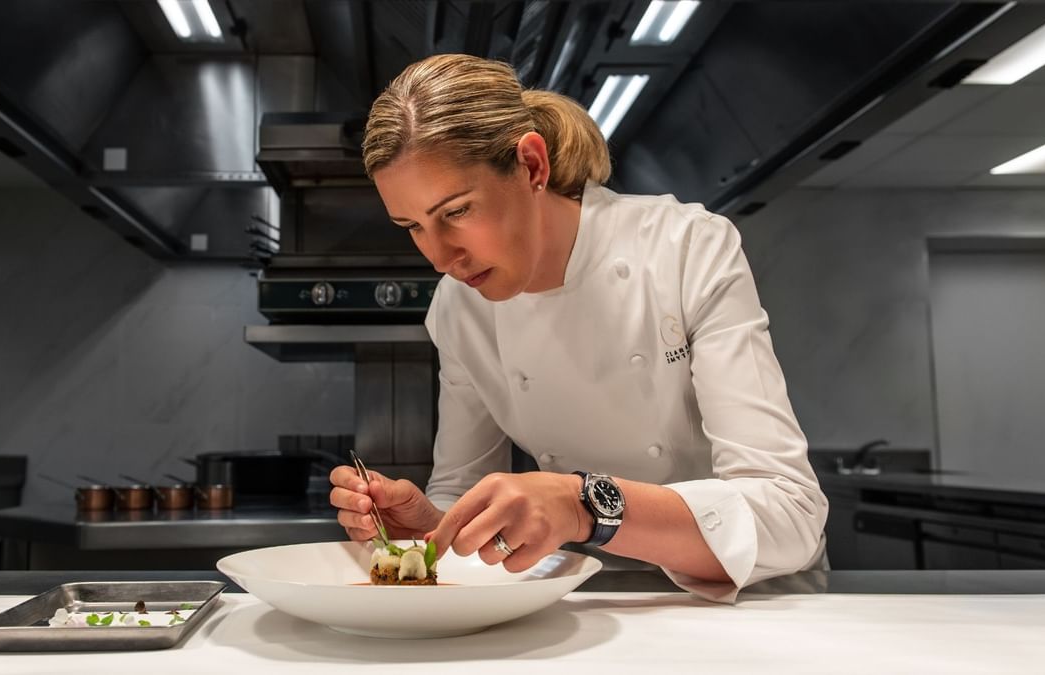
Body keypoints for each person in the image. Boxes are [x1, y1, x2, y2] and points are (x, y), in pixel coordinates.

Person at [329, 53, 827, 602]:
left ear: (532, 166)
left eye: (457, 211)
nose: (440, 257)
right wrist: (431, 532)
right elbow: (463, 492)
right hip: (592, 603)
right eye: (413, 227)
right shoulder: (458, 308)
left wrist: (583, 504)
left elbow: (790, 514)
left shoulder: (684, 248)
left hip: (759, 602)